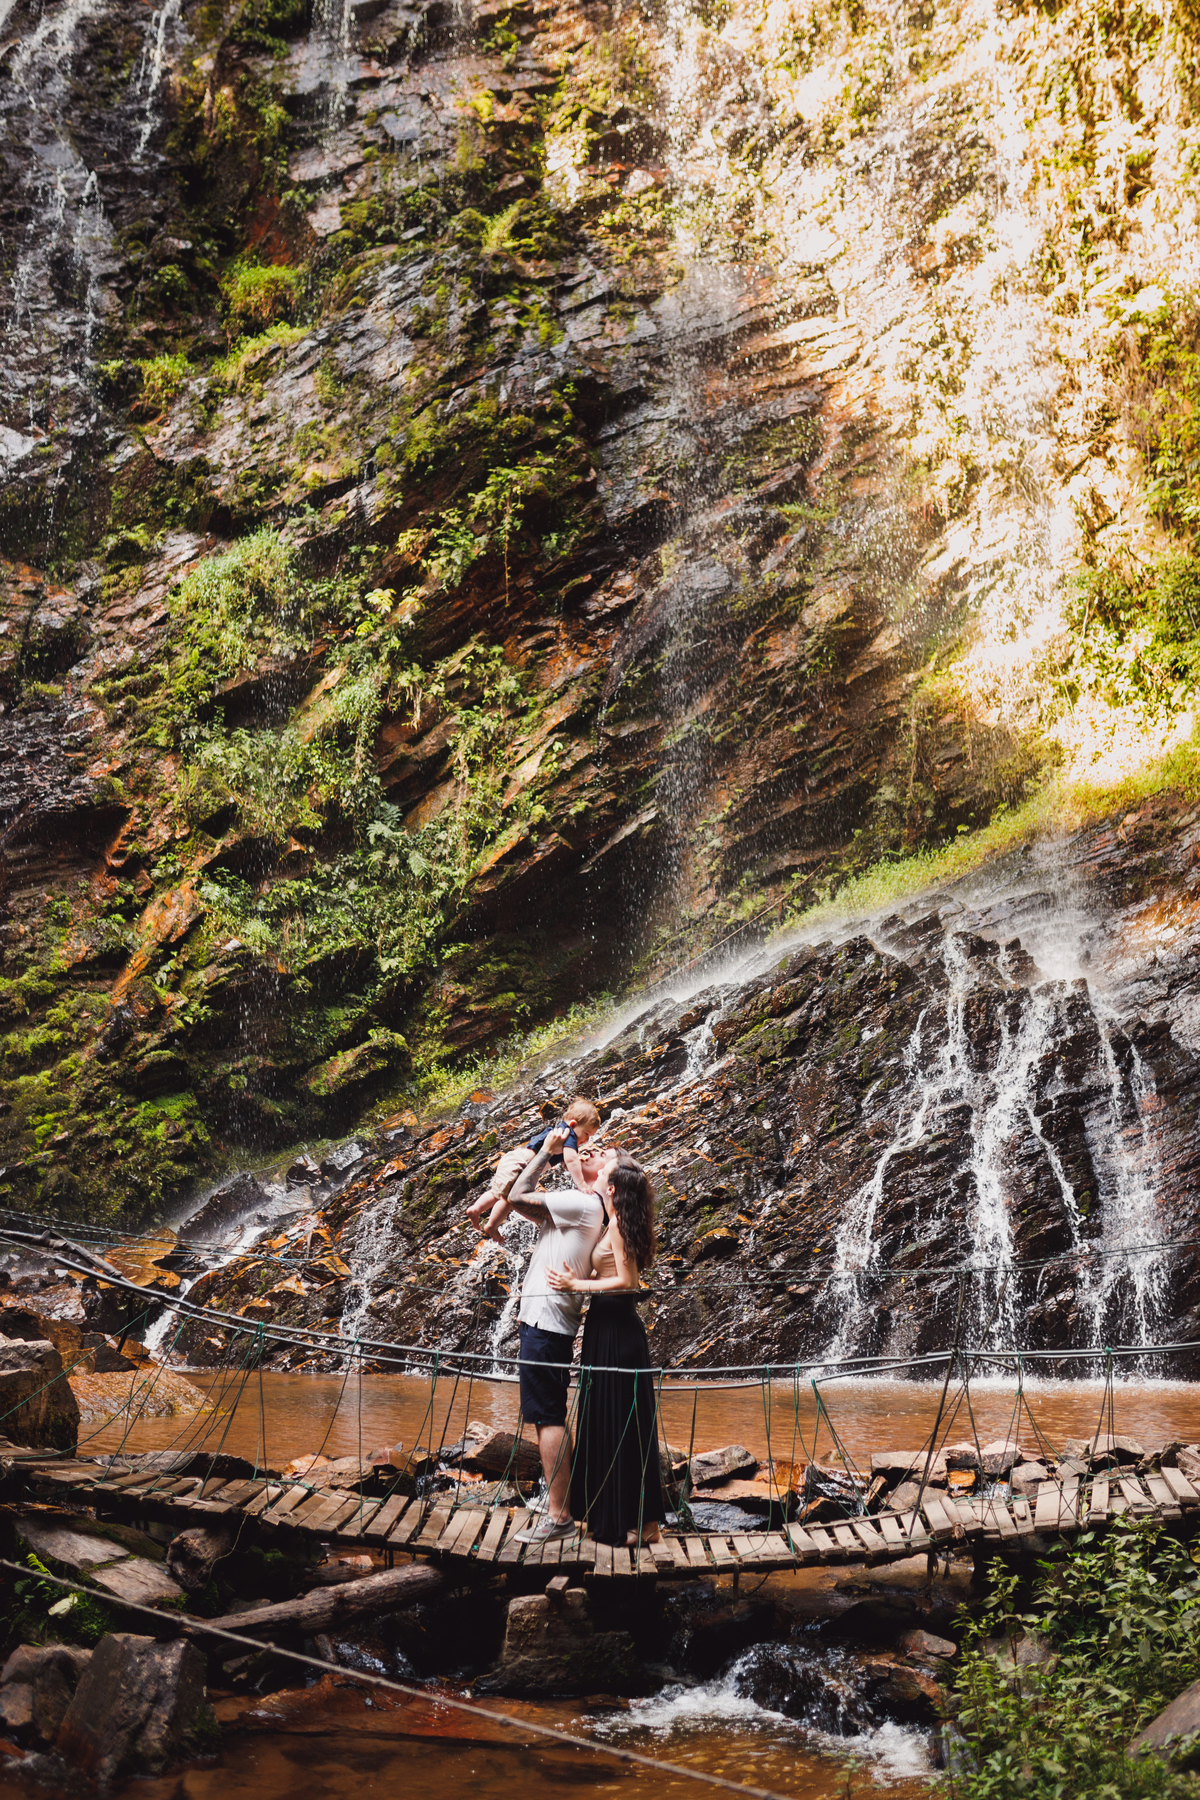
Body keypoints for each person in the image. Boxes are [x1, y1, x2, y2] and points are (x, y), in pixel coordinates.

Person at [502, 1127, 616, 1545]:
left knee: (547, 1415)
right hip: (546, 1321)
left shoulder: (584, 1203)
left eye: (601, 1152)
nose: (588, 1150)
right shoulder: (579, 1209)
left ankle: (559, 1517)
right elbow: (525, 1206)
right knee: (545, 1414)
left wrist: (547, 1152)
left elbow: (516, 1196)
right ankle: (560, 1505)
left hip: (546, 1323)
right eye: (588, 1146)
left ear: (607, 1175)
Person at [547, 1151, 665, 1548]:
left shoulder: (617, 1226)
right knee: (615, 1424)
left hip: (616, 1331)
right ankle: (629, 1520)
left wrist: (575, 1286)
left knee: (621, 1426)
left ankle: (639, 1524)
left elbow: (627, 1282)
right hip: (607, 1328)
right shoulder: (621, 1222)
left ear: (612, 1189)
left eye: (607, 1180)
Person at [466, 1097, 602, 1244]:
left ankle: (476, 1209)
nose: (587, 1140)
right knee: (509, 1198)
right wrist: (581, 1183)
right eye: (587, 1134)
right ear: (574, 1124)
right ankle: (492, 1225)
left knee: (496, 1192)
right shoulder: (569, 1134)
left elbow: (565, 1162)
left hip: (515, 1159)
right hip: (521, 1164)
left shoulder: (561, 1131)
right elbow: (571, 1160)